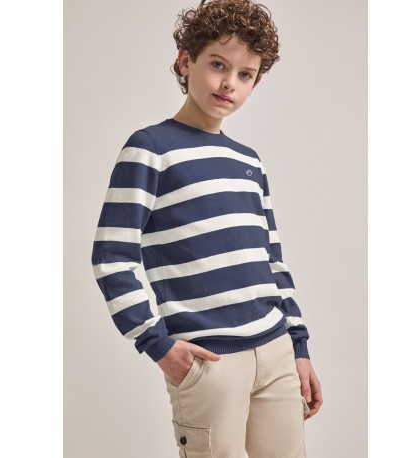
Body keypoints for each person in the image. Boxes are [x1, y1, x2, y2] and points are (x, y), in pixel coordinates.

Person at [91, 0, 322, 456]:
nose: (228, 82)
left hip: (276, 349)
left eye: (245, 74)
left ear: (255, 83)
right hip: (209, 361)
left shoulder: (248, 161)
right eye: (218, 65)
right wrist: (157, 344)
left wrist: (298, 346)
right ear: (185, 60)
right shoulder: (150, 149)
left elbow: (272, 260)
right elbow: (112, 255)